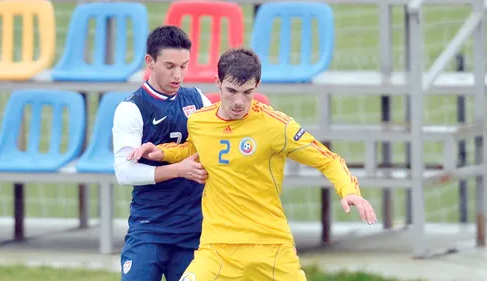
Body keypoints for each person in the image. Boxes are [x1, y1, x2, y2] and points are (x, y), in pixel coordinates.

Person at [130, 48, 378, 281]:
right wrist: (161, 152)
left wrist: (350, 191)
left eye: (247, 92)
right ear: (218, 83)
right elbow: (195, 148)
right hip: (218, 249)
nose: (238, 101)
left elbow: (328, 159)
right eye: (231, 91)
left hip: (270, 247)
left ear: (257, 86)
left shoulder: (276, 126)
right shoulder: (199, 122)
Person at [112, 25, 211, 281]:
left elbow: (216, 143)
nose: (178, 74)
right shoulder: (131, 109)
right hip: (149, 227)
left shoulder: (197, 99)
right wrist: (178, 170)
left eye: (184, 65)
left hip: (193, 229)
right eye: (170, 66)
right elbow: (124, 172)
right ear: (150, 62)